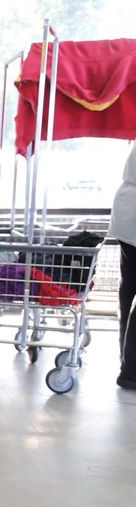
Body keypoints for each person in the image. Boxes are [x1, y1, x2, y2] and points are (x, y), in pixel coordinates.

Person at [110, 142, 136, 389]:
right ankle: (130, 371)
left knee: (129, 290)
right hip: (132, 217)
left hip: (128, 217)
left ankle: (126, 364)